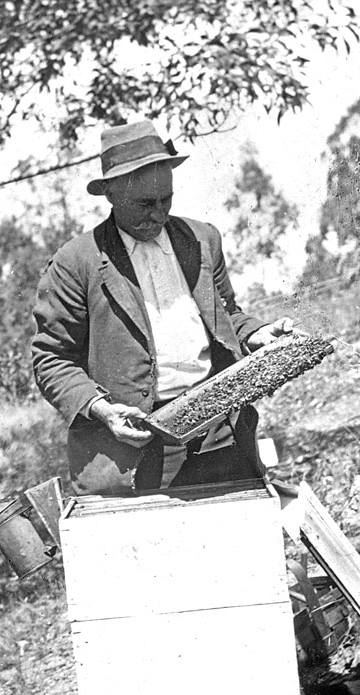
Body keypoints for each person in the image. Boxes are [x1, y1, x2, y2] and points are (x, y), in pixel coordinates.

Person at [32, 120, 295, 496]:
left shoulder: (202, 240)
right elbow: (51, 358)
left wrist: (256, 333)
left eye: (165, 200)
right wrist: (102, 410)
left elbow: (226, 316)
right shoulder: (76, 263)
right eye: (144, 204)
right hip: (135, 450)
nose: (158, 214)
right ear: (111, 193)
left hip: (221, 434)